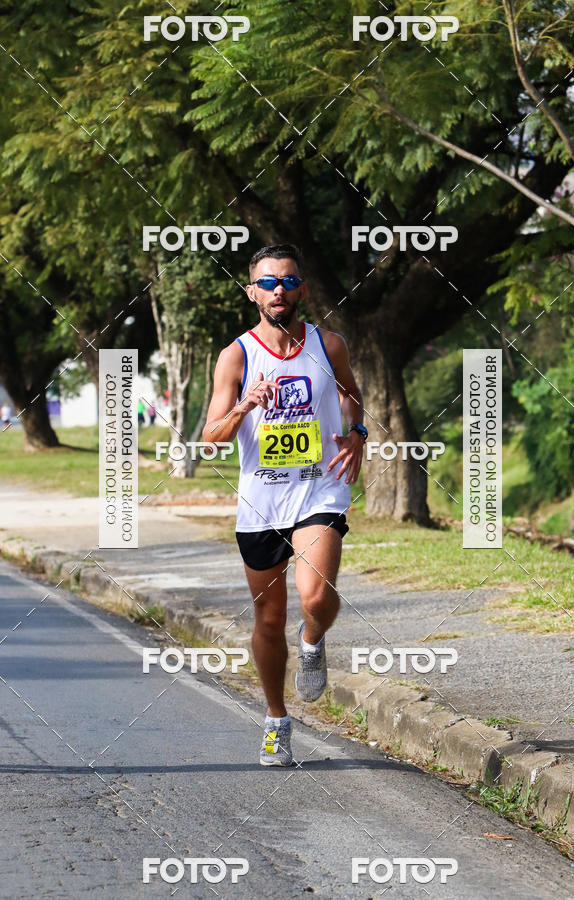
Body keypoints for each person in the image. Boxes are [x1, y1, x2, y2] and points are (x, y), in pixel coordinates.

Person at [203, 244, 367, 766]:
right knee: (269, 621)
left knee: (315, 595)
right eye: (269, 282)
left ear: (303, 290)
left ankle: (313, 639)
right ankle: (276, 720)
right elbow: (210, 438)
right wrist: (245, 404)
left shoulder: (328, 345)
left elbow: (351, 394)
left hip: (320, 488)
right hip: (261, 502)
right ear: (251, 292)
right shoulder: (236, 356)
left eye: (289, 281)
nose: (280, 290)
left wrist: (357, 433)